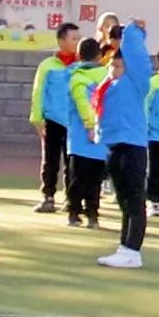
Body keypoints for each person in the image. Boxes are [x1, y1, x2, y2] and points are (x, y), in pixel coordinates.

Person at [95, 13, 159, 271]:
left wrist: (133, 32)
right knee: (123, 200)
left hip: (131, 145)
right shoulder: (107, 85)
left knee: (134, 201)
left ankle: (133, 249)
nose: (114, 70)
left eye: (120, 66)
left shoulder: (135, 82)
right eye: (113, 66)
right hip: (113, 145)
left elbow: (138, 60)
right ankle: (124, 247)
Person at [61, 38, 110, 229]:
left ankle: (74, 213)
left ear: (78, 56)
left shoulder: (76, 76)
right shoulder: (107, 76)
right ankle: (93, 215)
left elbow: (83, 103)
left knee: (77, 178)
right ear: (99, 56)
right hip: (102, 136)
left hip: (80, 137)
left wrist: (89, 126)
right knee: (95, 180)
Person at [32, 25, 77, 213]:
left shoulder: (81, 66)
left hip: (75, 122)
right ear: (61, 41)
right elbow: (38, 91)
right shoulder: (48, 65)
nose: (77, 42)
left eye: (78, 38)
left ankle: (72, 199)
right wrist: (37, 118)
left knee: (72, 162)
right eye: (73, 38)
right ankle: (48, 196)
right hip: (52, 120)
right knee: (50, 160)